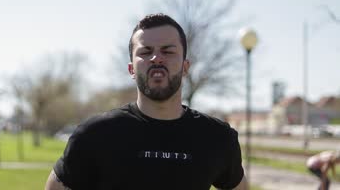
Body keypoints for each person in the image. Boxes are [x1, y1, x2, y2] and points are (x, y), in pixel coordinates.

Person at [45, 13, 247, 190]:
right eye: (145, 52)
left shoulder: (217, 137)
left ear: (185, 67)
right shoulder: (94, 134)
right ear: (131, 69)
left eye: (167, 51)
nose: (156, 58)